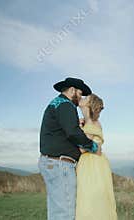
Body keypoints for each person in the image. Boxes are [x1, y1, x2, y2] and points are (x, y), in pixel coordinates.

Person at [38, 77, 99, 220]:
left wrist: (75, 124)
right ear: (72, 90)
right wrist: (92, 146)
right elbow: (72, 133)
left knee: (57, 212)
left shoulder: (58, 104)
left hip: (53, 163)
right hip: (61, 164)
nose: (80, 98)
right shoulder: (66, 105)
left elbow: (65, 129)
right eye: (80, 93)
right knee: (65, 214)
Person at [76, 94, 117, 220]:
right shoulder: (89, 122)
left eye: (86, 98)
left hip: (91, 164)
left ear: (89, 105)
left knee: (89, 199)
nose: (82, 98)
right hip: (96, 162)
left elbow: (83, 148)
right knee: (95, 198)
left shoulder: (91, 123)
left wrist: (77, 129)